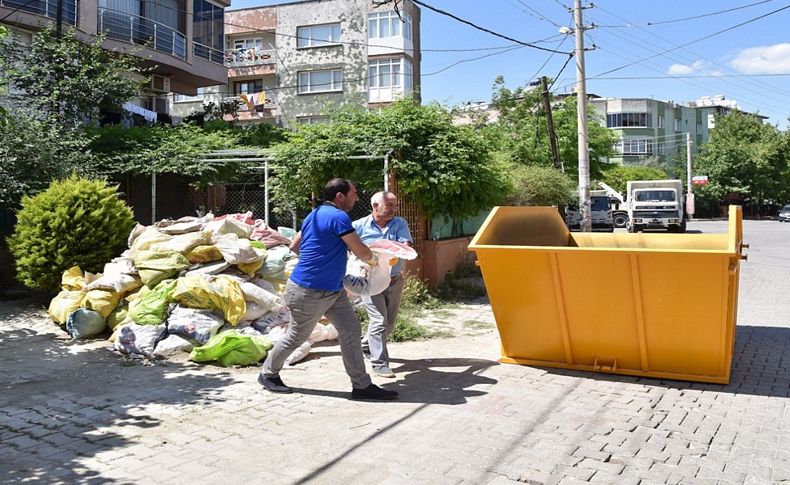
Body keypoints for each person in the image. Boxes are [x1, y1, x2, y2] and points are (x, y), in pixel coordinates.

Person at [258, 178, 398, 401]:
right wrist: (375, 260)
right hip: (309, 290)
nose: (357, 197)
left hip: (333, 290)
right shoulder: (338, 216)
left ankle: (361, 386)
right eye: (353, 193)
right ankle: (267, 373)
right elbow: (361, 252)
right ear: (340, 196)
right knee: (296, 336)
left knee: (351, 330)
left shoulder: (313, 215)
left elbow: (295, 246)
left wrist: (321, 261)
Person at [353, 191, 414, 378]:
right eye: (389, 206)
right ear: (375, 206)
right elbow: (350, 249)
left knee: (389, 322)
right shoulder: (358, 226)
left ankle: (365, 345)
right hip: (369, 282)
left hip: (394, 280)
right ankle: (379, 363)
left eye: (395, 206)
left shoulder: (399, 223)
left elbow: (405, 245)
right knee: (378, 321)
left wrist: (395, 248)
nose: (394, 210)